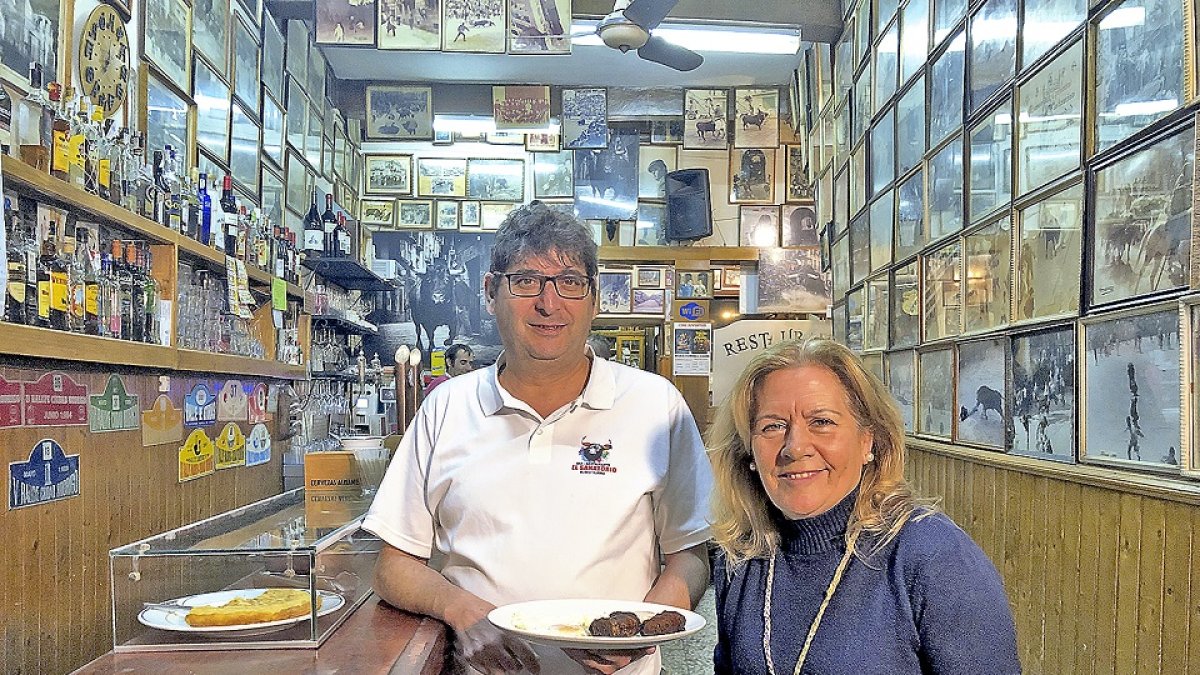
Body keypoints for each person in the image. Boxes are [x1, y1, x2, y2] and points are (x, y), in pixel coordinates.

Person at [363, 202, 713, 675]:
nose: (549, 304)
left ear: (594, 299)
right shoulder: (447, 407)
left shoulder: (655, 406)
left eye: (570, 282)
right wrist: (461, 610)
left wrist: (641, 632)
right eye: (526, 281)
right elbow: (392, 566)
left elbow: (689, 555)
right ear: (491, 292)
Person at [708, 339, 1020, 674]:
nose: (795, 447)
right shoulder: (743, 559)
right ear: (749, 451)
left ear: (867, 441)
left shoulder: (932, 555)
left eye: (821, 422)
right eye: (773, 426)